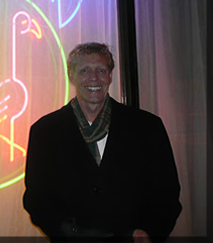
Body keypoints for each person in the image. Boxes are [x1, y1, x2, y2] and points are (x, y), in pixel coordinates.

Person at [23, 42, 182, 242]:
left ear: (110, 76)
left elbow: (167, 191)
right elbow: (37, 198)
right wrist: (69, 233)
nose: (94, 78)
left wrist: (149, 231)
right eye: (85, 71)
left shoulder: (148, 127)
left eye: (101, 70)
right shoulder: (44, 131)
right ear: (71, 76)